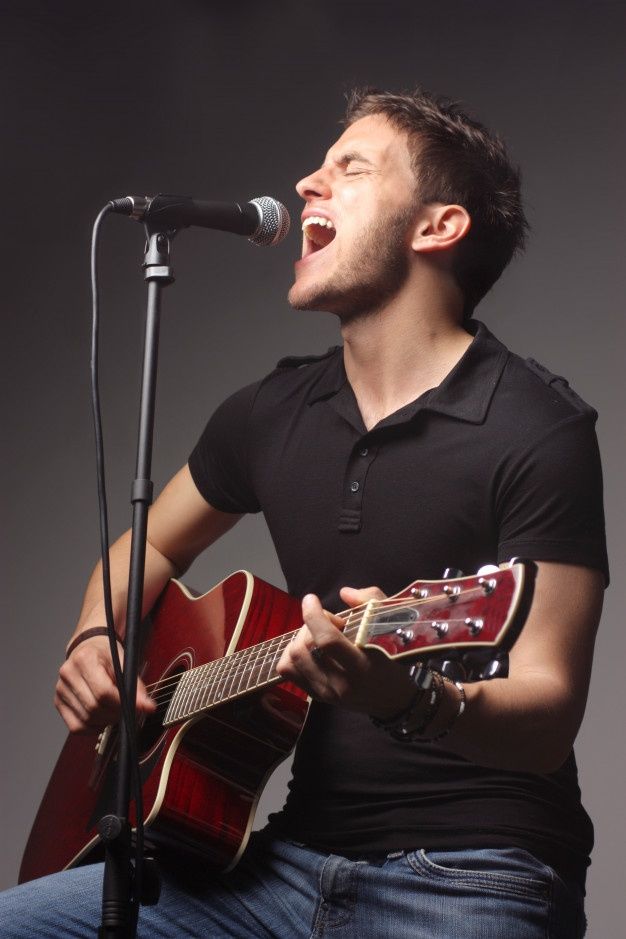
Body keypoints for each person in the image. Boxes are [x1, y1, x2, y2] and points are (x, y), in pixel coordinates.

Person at [1, 89, 608, 938]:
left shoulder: (536, 426)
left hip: (475, 875)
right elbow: (136, 552)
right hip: (282, 867)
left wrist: (412, 698)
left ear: (437, 228)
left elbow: (547, 712)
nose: (305, 183)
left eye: (348, 168)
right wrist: (93, 641)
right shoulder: (269, 412)